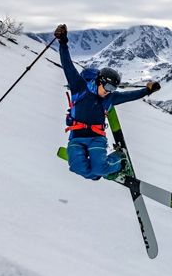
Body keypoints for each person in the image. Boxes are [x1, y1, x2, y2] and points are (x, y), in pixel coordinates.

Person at [54, 24, 161, 180]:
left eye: (113, 88)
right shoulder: (79, 87)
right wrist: (63, 42)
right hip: (76, 137)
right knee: (77, 168)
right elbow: (68, 65)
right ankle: (100, 172)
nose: (109, 91)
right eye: (108, 86)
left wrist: (148, 90)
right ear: (99, 81)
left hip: (96, 138)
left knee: (99, 168)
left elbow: (131, 95)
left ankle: (120, 160)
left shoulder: (110, 97)